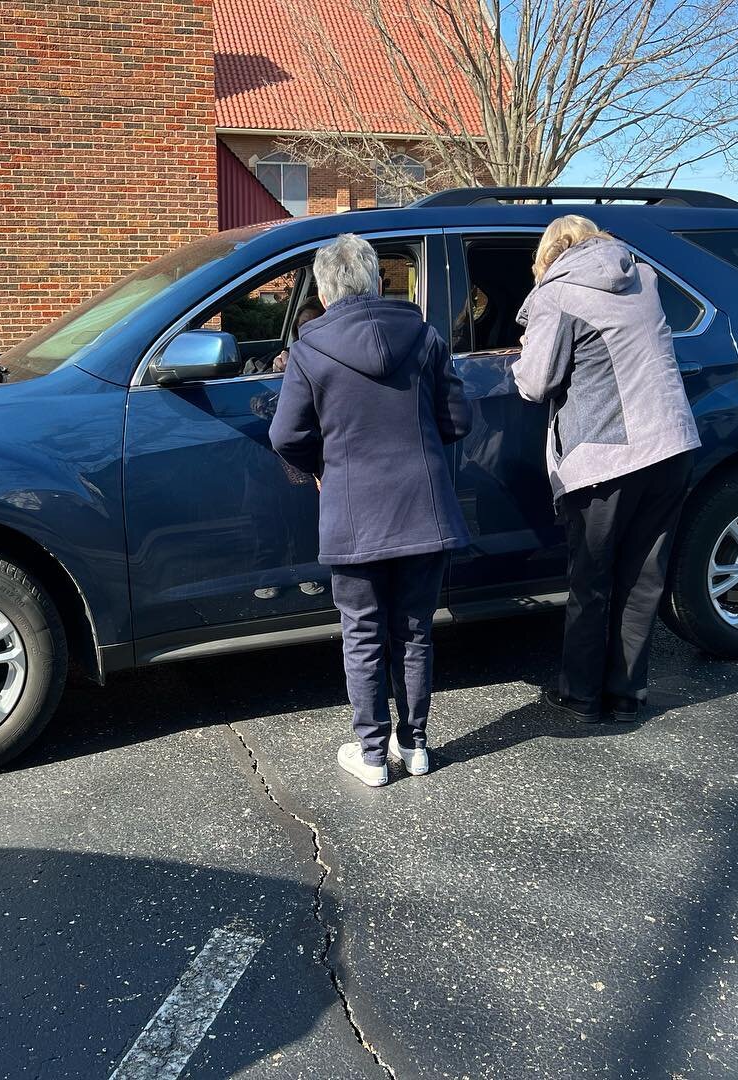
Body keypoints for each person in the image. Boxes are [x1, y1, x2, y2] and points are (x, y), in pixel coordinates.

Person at [270, 235, 471, 787]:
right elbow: (458, 422)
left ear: (325, 290)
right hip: (423, 510)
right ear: (378, 281)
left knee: (361, 633)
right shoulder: (425, 336)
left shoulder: (311, 347)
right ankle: (418, 744)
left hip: (353, 512)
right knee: (414, 630)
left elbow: (285, 434)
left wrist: (320, 469)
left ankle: (374, 755)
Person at [512, 215, 700, 724]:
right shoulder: (645, 278)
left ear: (551, 253)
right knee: (643, 578)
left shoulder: (558, 294)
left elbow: (534, 384)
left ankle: (579, 697)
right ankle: (626, 696)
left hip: (606, 458)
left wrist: (519, 352)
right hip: (671, 447)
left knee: (591, 581)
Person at [244, 299, 325, 376]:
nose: (309, 331)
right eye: (304, 324)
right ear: (296, 326)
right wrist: (275, 370)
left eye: (316, 325)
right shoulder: (286, 354)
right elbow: (251, 368)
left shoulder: (330, 361)